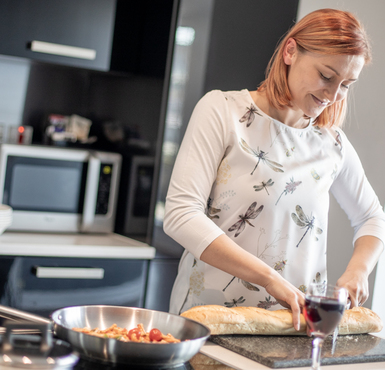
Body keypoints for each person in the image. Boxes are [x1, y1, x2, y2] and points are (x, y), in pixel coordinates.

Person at [163, 8, 385, 331]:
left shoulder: (331, 143)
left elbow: (372, 217)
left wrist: (359, 270)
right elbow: (181, 214)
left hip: (293, 331)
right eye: (326, 76)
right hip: (210, 323)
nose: (333, 95)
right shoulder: (222, 112)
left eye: (346, 84)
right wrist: (269, 279)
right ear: (290, 51)